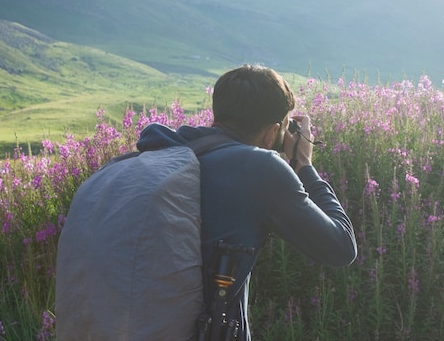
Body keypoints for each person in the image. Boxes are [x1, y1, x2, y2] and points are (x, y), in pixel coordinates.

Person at [57, 64, 357, 341]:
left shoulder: (170, 152)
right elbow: (340, 247)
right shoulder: (258, 167)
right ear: (273, 132)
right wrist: (304, 163)